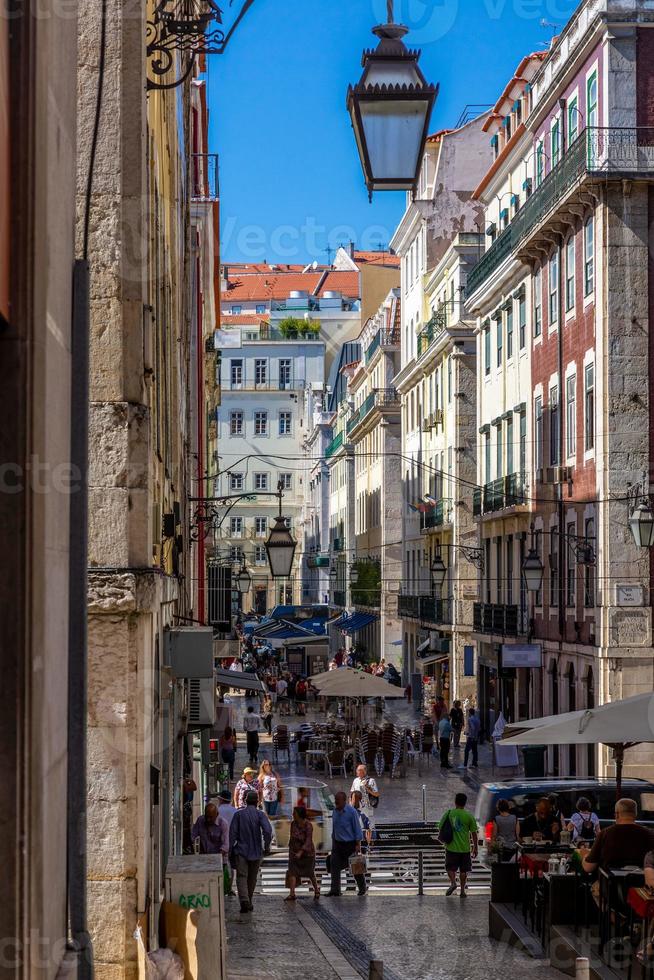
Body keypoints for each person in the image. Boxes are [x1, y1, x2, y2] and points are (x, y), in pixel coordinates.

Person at [578, 798, 654, 875]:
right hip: (641, 885)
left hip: (610, 885)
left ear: (617, 814)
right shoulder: (649, 834)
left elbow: (588, 867)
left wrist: (585, 855)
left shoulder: (605, 833)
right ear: (635, 814)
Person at [229, 790, 273, 914]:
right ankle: (248, 900)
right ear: (257, 802)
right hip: (256, 851)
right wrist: (267, 846)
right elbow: (268, 831)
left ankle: (244, 900)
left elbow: (232, 834)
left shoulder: (238, 815)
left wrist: (230, 850)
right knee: (252, 878)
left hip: (241, 851)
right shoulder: (260, 815)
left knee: (242, 877)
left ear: (245, 801)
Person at [326, 791, 366, 897]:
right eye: (335, 801)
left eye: (338, 801)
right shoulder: (335, 811)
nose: (336, 803)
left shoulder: (351, 812)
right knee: (334, 865)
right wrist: (333, 839)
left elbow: (357, 829)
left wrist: (358, 845)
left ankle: (362, 888)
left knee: (355, 866)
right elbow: (335, 827)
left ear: (344, 801)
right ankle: (335, 890)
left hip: (350, 844)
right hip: (338, 844)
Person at [440, 792, 478, 896]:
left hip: (451, 847)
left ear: (455, 802)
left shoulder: (449, 813)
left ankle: (453, 883)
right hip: (465, 849)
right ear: (465, 803)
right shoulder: (469, 816)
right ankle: (462, 891)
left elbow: (440, 826)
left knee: (450, 868)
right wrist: (475, 848)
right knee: (464, 870)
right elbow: (474, 833)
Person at [286, 805, 320, 901]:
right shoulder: (293, 824)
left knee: (310, 873)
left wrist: (301, 851)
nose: (293, 815)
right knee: (292, 872)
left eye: (294, 813)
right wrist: (292, 851)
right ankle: (292, 893)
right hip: (294, 852)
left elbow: (308, 840)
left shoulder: (308, 825)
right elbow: (292, 837)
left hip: (307, 854)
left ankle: (316, 890)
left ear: (299, 815)